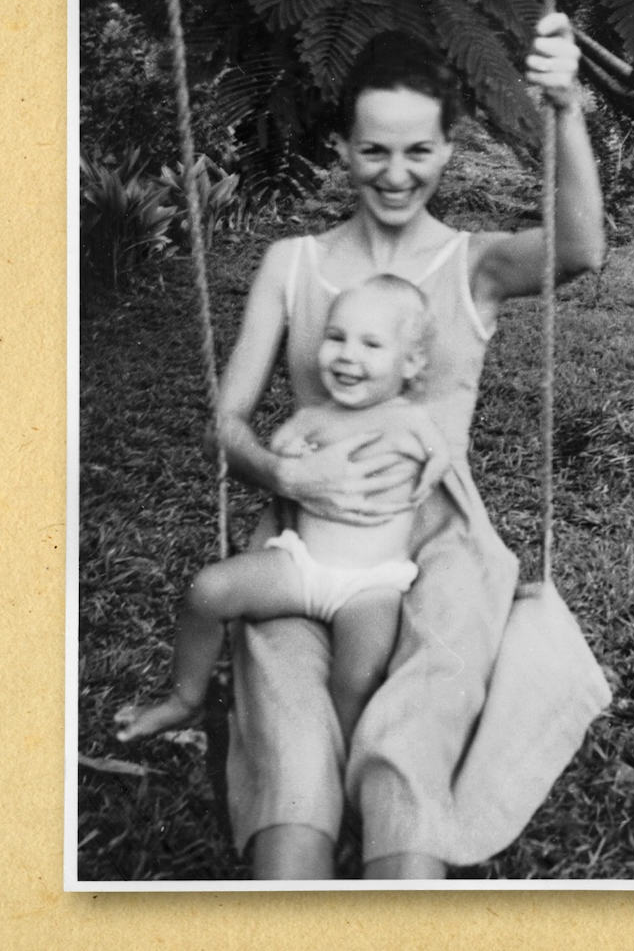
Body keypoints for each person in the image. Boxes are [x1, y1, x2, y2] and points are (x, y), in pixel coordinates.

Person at [216, 13, 613, 880]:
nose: (396, 176)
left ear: (447, 146)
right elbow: (228, 421)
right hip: (306, 529)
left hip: (443, 542)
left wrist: (566, 106)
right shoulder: (294, 264)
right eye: (373, 152)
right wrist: (285, 470)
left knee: (414, 731)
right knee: (288, 729)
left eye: (419, 153)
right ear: (346, 147)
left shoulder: (474, 266)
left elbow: (583, 247)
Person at [113, 275, 451, 744]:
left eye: (371, 344)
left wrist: (433, 470)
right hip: (301, 566)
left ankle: (344, 766)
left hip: (371, 585)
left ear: (412, 362)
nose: (347, 354)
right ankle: (185, 700)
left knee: (358, 676)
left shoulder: (411, 420)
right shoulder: (313, 417)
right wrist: (289, 455)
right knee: (207, 591)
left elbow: (442, 452)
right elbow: (279, 451)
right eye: (336, 337)